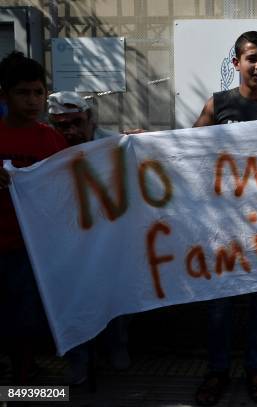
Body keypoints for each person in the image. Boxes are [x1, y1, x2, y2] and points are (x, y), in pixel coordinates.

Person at [192, 31, 257, 406]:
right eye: (252, 58)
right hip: (222, 226)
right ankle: (217, 372)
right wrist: (144, 144)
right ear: (236, 63)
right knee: (219, 305)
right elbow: (185, 152)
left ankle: (256, 368)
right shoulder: (218, 105)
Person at [47, 91, 132, 384]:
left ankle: (117, 348)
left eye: (76, 123)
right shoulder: (49, 147)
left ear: (90, 120)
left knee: (112, 296)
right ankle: (78, 360)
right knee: (72, 300)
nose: (70, 131)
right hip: (67, 241)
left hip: (105, 238)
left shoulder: (110, 143)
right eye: (62, 125)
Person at [0, 51, 68, 384]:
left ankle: (22, 386)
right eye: (22, 93)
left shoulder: (51, 138)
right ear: (5, 96)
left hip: (32, 250)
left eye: (38, 92)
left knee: (25, 322)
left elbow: (67, 187)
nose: (32, 100)